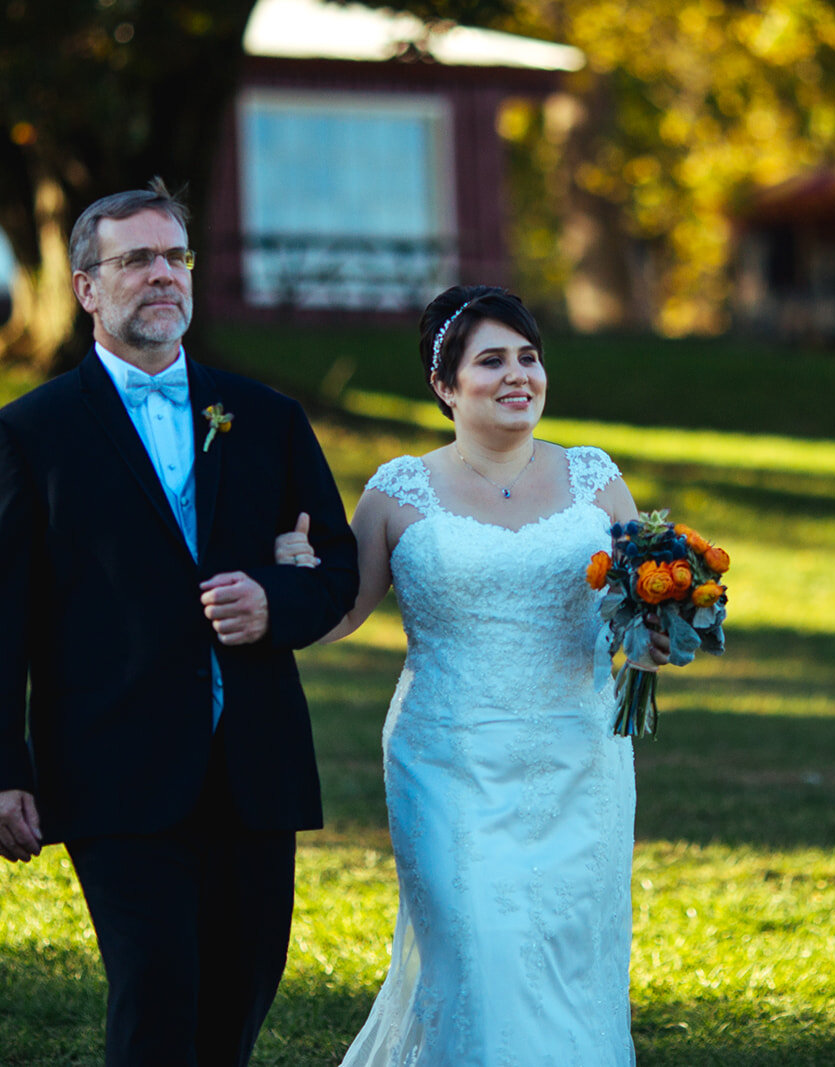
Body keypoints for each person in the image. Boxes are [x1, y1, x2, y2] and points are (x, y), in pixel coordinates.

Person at [0, 178, 359, 1067]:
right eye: (135, 259)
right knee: (157, 990)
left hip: (255, 762)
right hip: (113, 767)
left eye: (175, 257)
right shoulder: (29, 434)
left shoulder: (266, 418)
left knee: (243, 993)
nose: (162, 275)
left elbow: (336, 568)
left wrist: (272, 603)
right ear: (87, 288)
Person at [276, 285, 670, 1065]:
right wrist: (290, 577)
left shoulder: (595, 477)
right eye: (491, 360)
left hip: (579, 760)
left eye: (529, 357)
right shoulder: (398, 490)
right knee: (477, 954)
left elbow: (645, 594)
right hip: (446, 761)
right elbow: (341, 610)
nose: (518, 374)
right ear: (445, 385)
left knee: (570, 958)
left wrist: (661, 636)